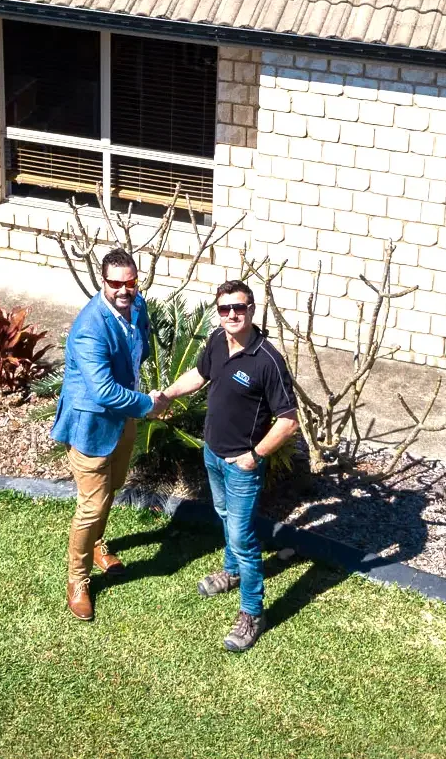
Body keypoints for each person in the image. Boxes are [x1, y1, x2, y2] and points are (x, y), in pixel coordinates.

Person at [159, 278, 297, 652]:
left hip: (242, 465)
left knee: (243, 537)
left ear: (252, 310)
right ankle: (232, 571)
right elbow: (200, 374)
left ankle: (252, 612)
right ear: (218, 313)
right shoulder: (217, 342)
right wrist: (168, 395)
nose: (232, 314)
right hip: (212, 454)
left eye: (240, 307)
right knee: (223, 513)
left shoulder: (268, 361)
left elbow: (288, 420)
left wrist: (255, 457)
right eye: (225, 309)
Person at [52, 246, 167, 621]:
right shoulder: (90, 328)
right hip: (92, 425)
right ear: (103, 282)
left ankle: (99, 546)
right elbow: (102, 392)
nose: (123, 289)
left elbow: (139, 351)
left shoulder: (140, 306)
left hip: (123, 418)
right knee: (91, 505)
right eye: (115, 283)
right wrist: (147, 402)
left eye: (130, 282)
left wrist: (136, 400)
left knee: (113, 488)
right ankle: (77, 580)